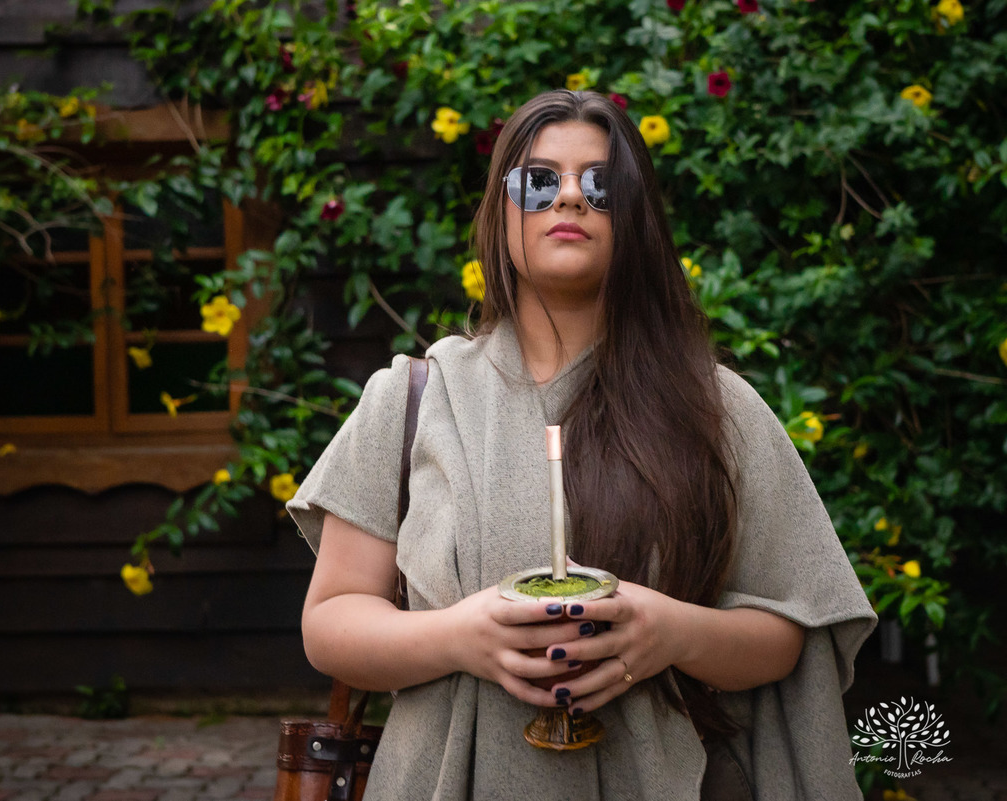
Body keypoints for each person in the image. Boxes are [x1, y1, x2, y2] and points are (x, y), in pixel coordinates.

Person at [288, 89, 876, 800]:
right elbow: (331, 622)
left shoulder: (718, 409)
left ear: (637, 219)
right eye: (539, 181)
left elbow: (785, 635)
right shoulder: (413, 398)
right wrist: (459, 637)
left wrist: (669, 631)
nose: (569, 198)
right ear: (501, 211)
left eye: (601, 185)